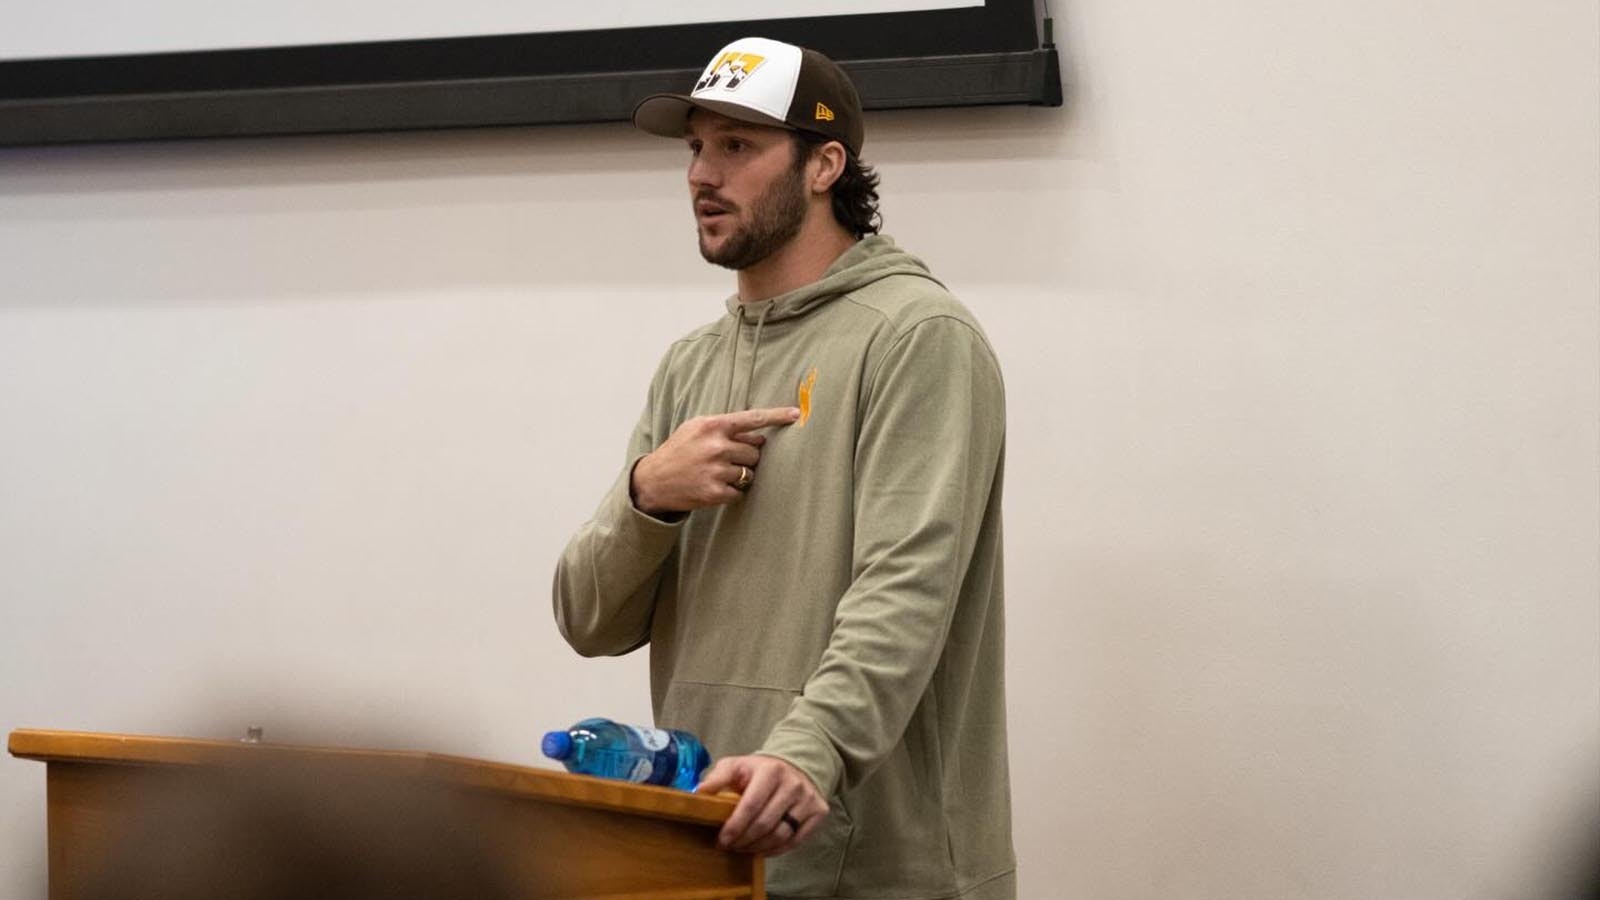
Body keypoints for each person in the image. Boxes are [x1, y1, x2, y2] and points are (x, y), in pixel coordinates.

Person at [553, 36, 1014, 900]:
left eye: (737, 146)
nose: (701, 174)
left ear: (823, 164)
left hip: (881, 869)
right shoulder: (689, 365)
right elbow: (589, 619)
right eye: (696, 146)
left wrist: (807, 755)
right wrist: (647, 495)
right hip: (713, 849)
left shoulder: (918, 338)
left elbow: (906, 590)